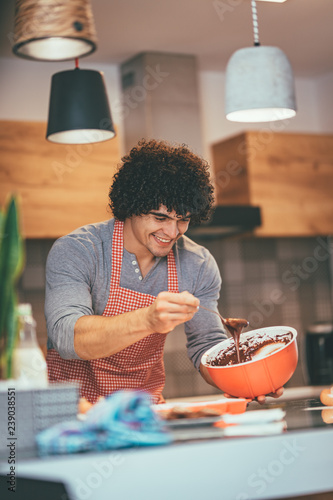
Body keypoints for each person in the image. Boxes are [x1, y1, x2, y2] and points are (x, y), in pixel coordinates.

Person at [45, 139, 282, 405]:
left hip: (144, 414)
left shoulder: (198, 264)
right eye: (160, 218)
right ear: (130, 206)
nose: (172, 233)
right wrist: (147, 320)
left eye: (183, 219)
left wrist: (245, 379)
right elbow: (66, 337)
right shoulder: (79, 251)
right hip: (73, 415)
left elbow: (207, 345)